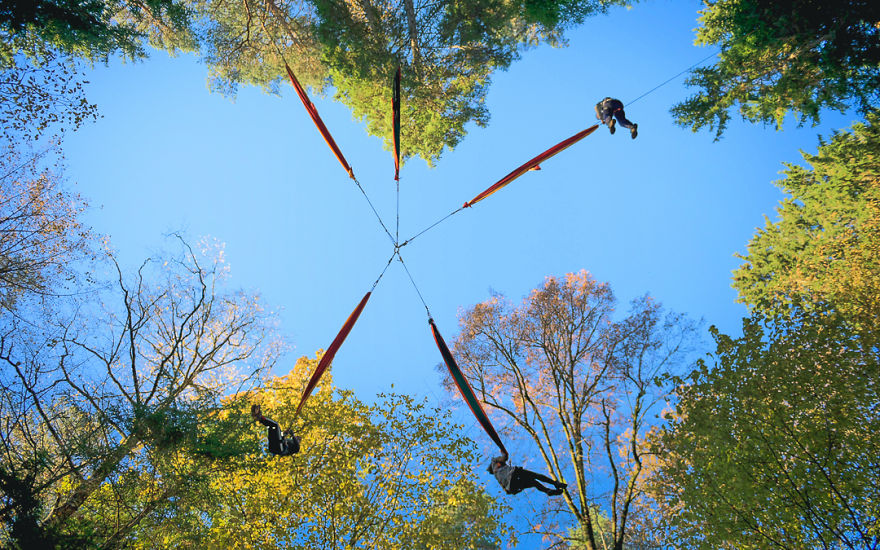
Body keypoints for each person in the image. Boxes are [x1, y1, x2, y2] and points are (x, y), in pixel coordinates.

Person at [487, 454, 567, 496]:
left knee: (534, 483)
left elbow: (507, 492)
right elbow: (504, 457)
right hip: (514, 473)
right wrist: (503, 453)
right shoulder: (494, 461)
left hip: (512, 487)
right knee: (536, 476)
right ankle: (555, 483)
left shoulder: (497, 476)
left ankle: (547, 491)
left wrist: (517, 490)